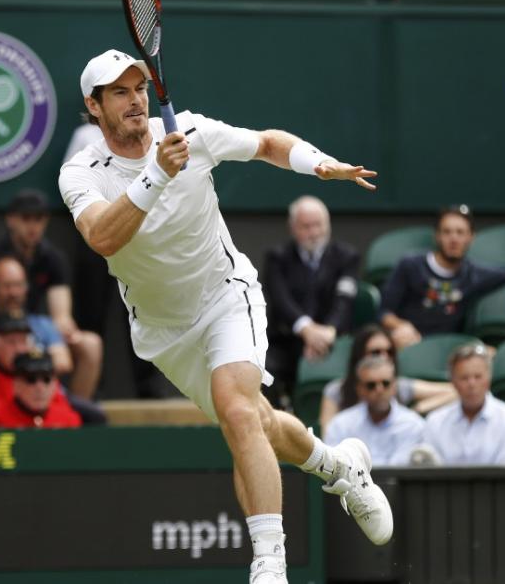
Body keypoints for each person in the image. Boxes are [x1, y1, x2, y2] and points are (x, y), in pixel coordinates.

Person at [58, 48, 392, 582]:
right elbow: (102, 237)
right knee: (255, 422)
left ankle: (269, 563)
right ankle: (340, 467)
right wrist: (156, 176)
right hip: (163, 330)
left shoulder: (190, 130)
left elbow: (266, 144)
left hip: (224, 296)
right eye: (118, 92)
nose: (136, 100)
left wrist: (316, 162)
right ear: (93, 107)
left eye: (139, 88)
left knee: (237, 411)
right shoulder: (80, 172)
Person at [0, 189, 103, 397]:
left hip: (36, 326)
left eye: (39, 218)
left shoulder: (52, 258)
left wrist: (58, 332)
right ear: (11, 220)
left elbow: (61, 316)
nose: (33, 226)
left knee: (90, 344)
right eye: (26, 218)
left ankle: (72, 415)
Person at [380, 205, 505, 349]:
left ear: (471, 237)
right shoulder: (410, 265)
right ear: (437, 236)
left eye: (460, 232)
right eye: (447, 232)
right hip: (409, 344)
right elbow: (384, 312)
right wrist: (401, 326)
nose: (454, 238)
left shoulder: (474, 274)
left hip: (449, 351)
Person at [263, 195, 359, 404]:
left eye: (318, 225)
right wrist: (307, 331)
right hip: (287, 340)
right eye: (305, 226)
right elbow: (281, 301)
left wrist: (328, 332)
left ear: (328, 225)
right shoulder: (277, 258)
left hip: (334, 340)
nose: (313, 233)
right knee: (262, 370)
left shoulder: (347, 257)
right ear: (293, 228)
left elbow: (345, 300)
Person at [0, 256, 73, 387]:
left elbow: (63, 362)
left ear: (26, 288)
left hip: (45, 396)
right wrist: (38, 356)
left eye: (18, 285)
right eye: (7, 286)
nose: (13, 293)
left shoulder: (42, 323)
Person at [318, 324, 456, 433]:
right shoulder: (336, 391)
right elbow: (328, 437)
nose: (384, 358)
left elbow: (457, 390)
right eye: (375, 352)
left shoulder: (399, 386)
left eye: (389, 352)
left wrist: (419, 408)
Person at [421, 343, 505, 464]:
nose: (472, 384)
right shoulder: (435, 421)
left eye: (478, 377)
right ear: (453, 382)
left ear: (489, 378)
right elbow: (431, 475)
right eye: (464, 378)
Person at [324, 356, 425, 466]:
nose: (379, 390)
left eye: (385, 383)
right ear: (359, 389)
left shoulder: (413, 424)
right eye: (371, 385)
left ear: (394, 386)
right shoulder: (341, 425)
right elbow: (331, 467)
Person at [0, 351, 82, 429]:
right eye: (31, 380)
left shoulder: (69, 419)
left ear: (55, 384)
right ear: (16, 384)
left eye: (46, 379)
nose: (40, 388)